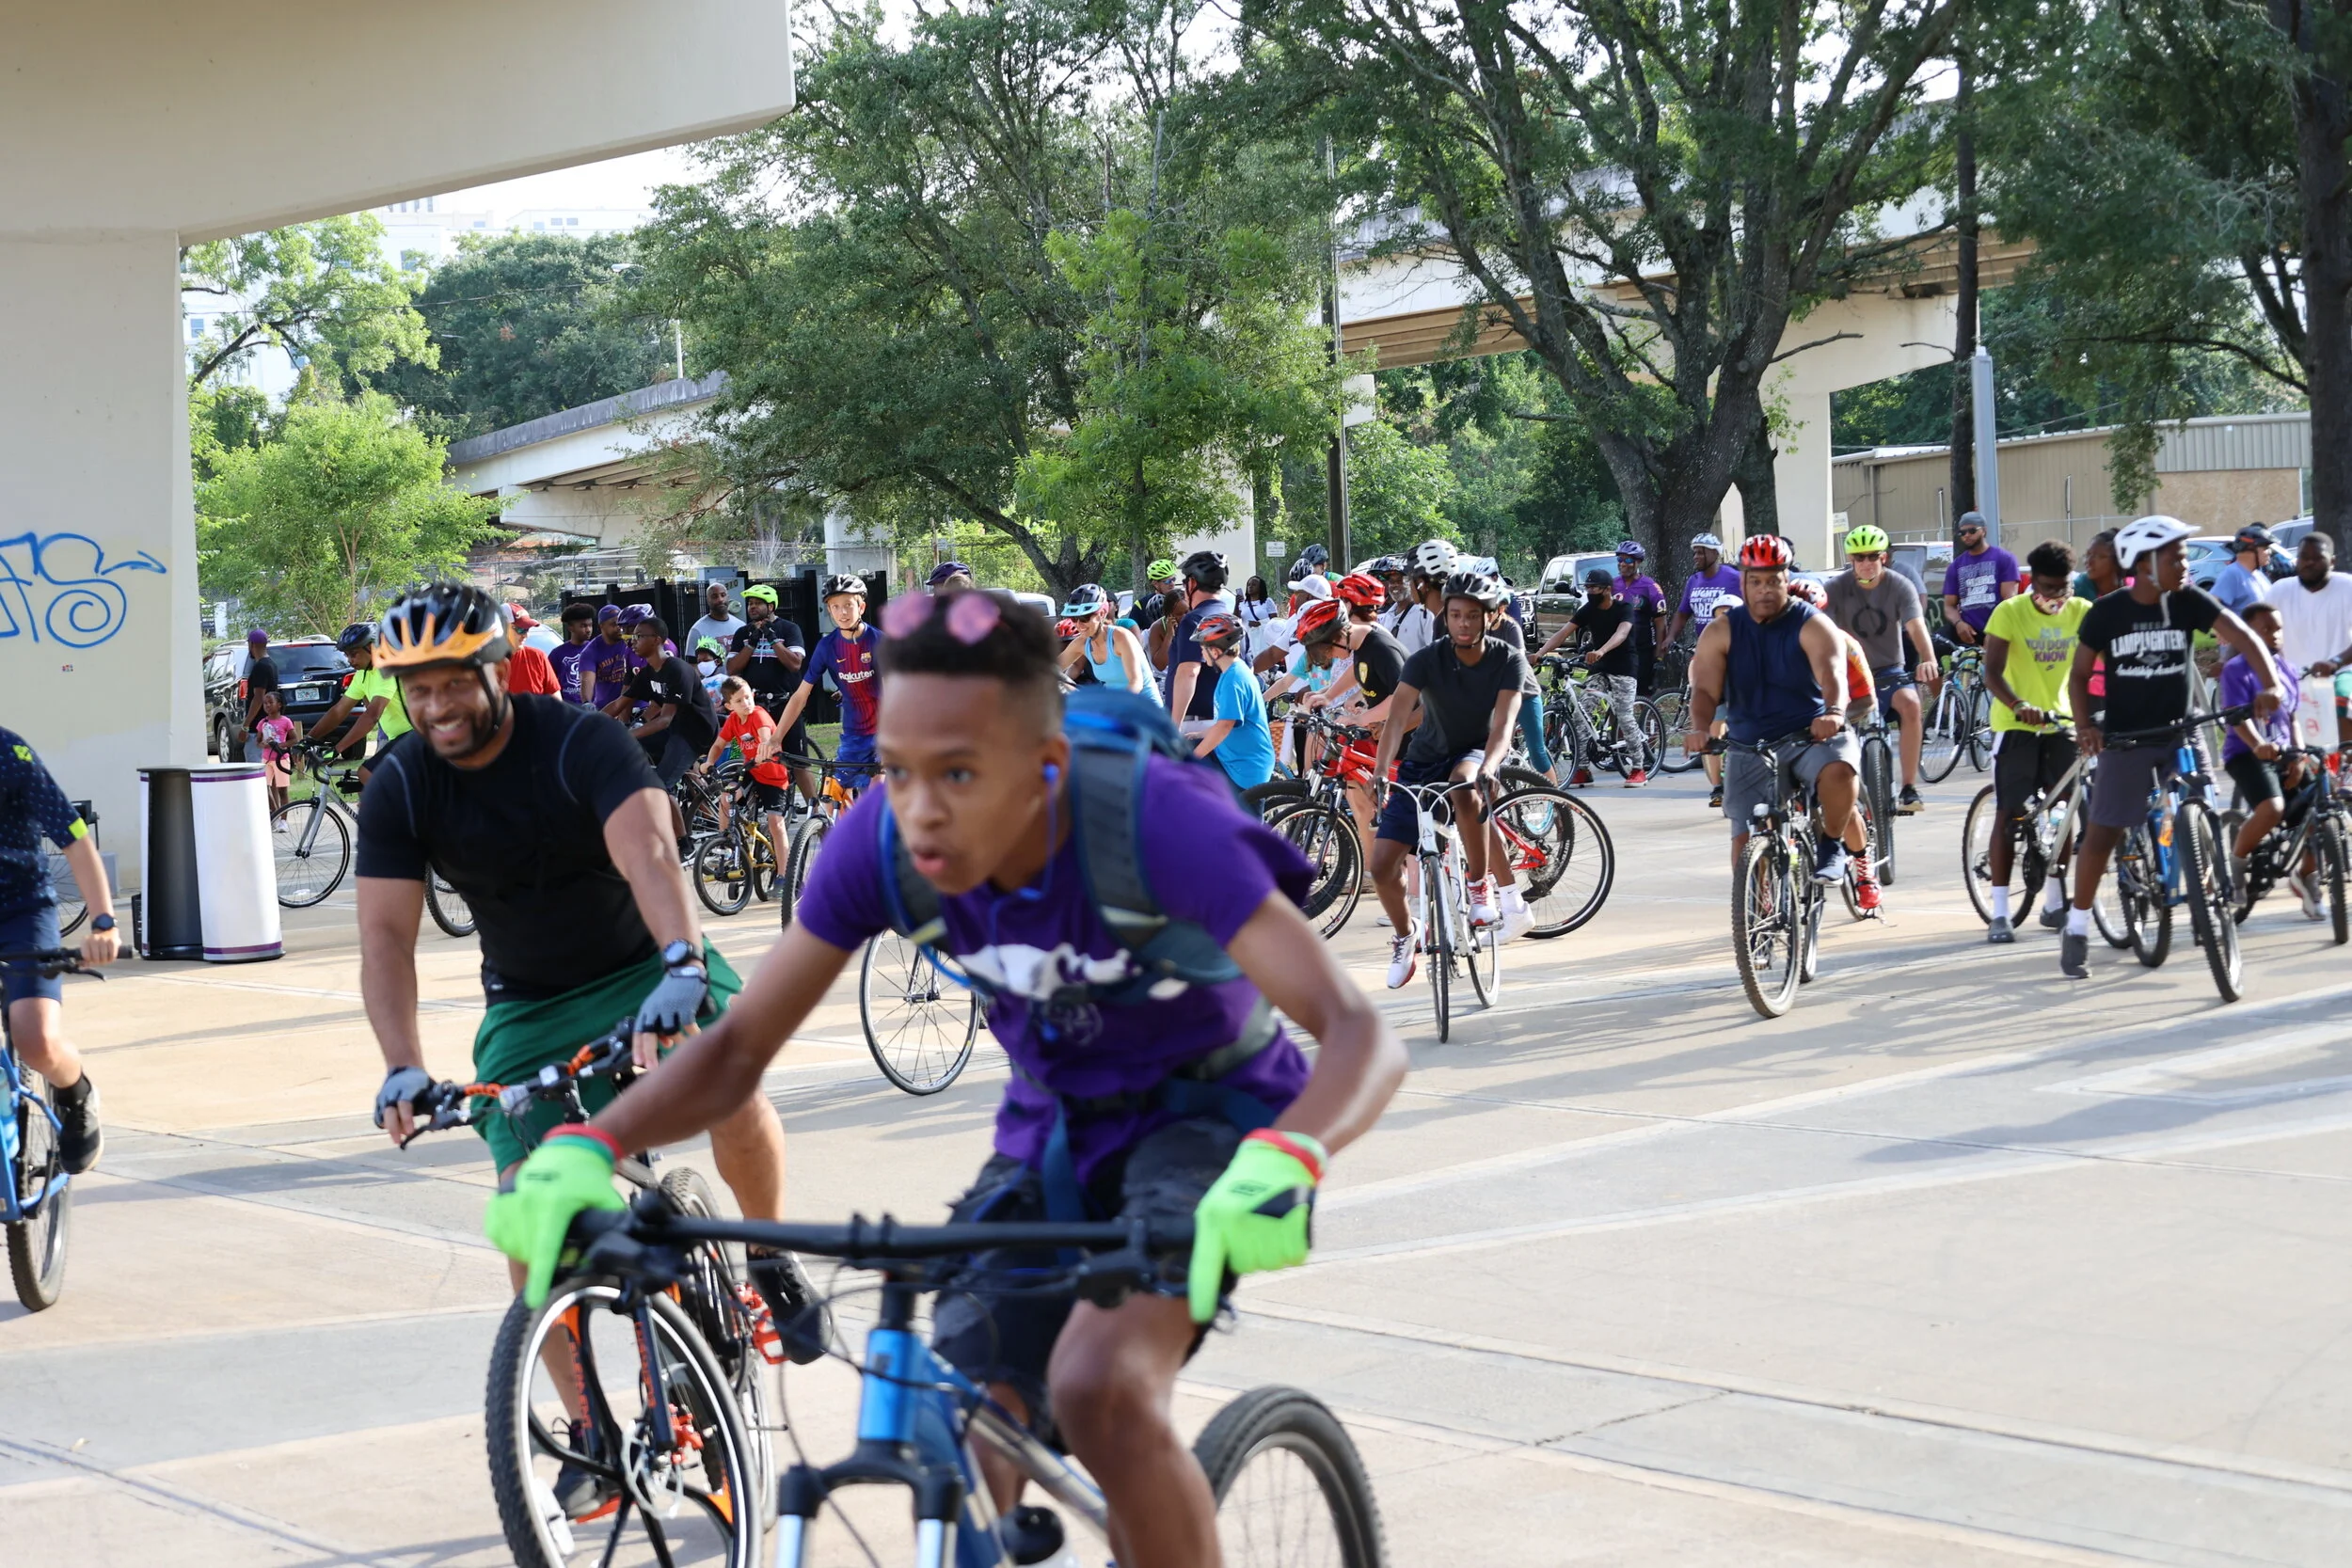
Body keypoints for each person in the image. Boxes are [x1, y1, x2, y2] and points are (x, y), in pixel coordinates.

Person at [481, 590, 1405, 1568]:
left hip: (1214, 1117)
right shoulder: (882, 838)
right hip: (1052, 1127)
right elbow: (739, 1046)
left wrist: (1289, 1155)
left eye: (959, 771)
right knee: (967, 1403)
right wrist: (592, 1143)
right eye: (897, 768)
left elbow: (1355, 1032)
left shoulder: (1148, 819)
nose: (920, 805)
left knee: (1098, 1387)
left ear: (1045, 766)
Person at [356, 584, 815, 1517]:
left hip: (649, 960)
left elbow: (650, 854)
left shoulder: (579, 740)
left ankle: (764, 1253)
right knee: (528, 1211)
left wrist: (684, 962)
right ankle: (592, 1426)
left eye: (452, 683)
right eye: (417, 689)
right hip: (528, 1003)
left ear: (495, 670)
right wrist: (400, 1061)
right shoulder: (402, 779)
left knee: (729, 1076)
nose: (435, 706)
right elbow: (383, 942)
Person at [2059, 515, 2281, 979]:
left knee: (2202, 805)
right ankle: (2077, 926)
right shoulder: (2108, 612)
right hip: (2126, 737)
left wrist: (2272, 685)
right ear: (2143, 563)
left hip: (2181, 729)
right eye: (2175, 556)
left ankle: (2207, 893)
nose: (2185, 564)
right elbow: (2079, 677)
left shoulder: (2186, 602)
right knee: (2104, 830)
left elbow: (2243, 636)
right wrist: (2086, 726)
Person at [1368, 567, 1539, 985]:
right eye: (1456, 614)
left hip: (1475, 753)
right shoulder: (1426, 660)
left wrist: (1491, 766)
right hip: (1421, 761)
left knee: (1467, 787)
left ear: (1489, 616)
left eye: (1473, 615)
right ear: (1444, 616)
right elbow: (1395, 721)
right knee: (1380, 867)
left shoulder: (1507, 660)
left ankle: (1480, 886)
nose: (1464, 623)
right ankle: (1406, 937)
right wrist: (1380, 769)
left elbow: (1503, 725)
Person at [1683, 534, 1864, 887]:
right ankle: (1757, 909)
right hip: (1748, 742)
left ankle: (1831, 845)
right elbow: (1705, 689)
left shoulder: (1811, 623)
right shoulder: (1722, 631)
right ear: (1743, 582)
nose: (1765, 589)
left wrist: (1833, 713)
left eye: (1773, 580)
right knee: (1743, 837)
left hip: (1809, 735)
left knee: (1841, 769)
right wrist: (1701, 727)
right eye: (1756, 581)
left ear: (1787, 579)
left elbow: (1833, 673)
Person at [0, 726, 118, 1175]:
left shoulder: (10, 755)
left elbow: (73, 840)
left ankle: (76, 1094)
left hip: (20, 911)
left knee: (36, 1037)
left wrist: (103, 923)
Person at [1976, 542, 2089, 942]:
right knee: (2010, 814)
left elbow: (2099, 667)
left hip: (2063, 725)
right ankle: (2001, 913)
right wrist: (2018, 704)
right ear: (2031, 582)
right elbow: (1992, 672)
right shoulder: (2010, 612)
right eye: (2048, 587)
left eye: (2063, 587)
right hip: (2017, 725)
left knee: (2062, 814)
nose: (2056, 596)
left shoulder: (2082, 612)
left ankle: (2056, 901)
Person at [1824, 523, 1940, 813]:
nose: (1866, 563)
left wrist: (1928, 658)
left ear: (1883, 557)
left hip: (1889, 671)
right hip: (1849, 675)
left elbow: (1916, 626)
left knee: (1912, 703)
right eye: (1859, 557)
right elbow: (1820, 629)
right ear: (1851, 560)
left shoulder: (1900, 585)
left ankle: (1909, 788)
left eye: (1872, 556)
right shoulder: (1836, 588)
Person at [2218, 603, 2317, 914]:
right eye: (2267, 629)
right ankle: (2236, 864)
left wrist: (2299, 756)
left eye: (2278, 629)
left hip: (2284, 753)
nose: (2275, 635)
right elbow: (2235, 717)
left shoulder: (2285, 668)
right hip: (2247, 753)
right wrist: (2259, 745)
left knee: (2317, 810)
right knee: (2272, 808)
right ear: (2248, 634)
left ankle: (2306, 875)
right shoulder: (2235, 670)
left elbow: (2293, 718)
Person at [769, 576, 882, 791]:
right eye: (835, 607)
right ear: (829, 610)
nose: (843, 612)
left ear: (862, 606)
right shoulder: (827, 646)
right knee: (831, 797)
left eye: (849, 605)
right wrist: (776, 738)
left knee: (876, 795)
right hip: (853, 735)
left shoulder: (878, 642)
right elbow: (800, 696)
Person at [1539, 569, 1644, 786]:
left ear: (1607, 589)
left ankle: (1638, 767)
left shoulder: (1623, 608)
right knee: (1581, 713)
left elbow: (1621, 634)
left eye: (1594, 588)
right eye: (1587, 587)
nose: (1590, 591)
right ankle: (1583, 768)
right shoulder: (1589, 609)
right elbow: (1563, 633)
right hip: (1600, 667)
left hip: (1624, 667)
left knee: (1624, 715)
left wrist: (1602, 650)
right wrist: (1539, 654)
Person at [1661, 533, 1744, 806]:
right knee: (1712, 725)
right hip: (1706, 655)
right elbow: (1683, 613)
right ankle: (1717, 787)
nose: (1696, 556)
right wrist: (1671, 636)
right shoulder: (1693, 581)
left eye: (1701, 552)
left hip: (1737, 653)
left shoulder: (1733, 578)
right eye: (1694, 552)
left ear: (1714, 553)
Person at [728, 584, 818, 803]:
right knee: (751, 758)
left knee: (798, 763)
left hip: (784, 704)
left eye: (757, 603)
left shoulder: (789, 629)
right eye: (750, 603)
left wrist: (772, 638)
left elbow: (795, 664)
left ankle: (817, 814)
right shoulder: (743, 632)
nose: (752, 607)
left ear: (771, 605)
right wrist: (752, 643)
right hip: (755, 707)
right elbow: (732, 668)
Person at [705, 675, 794, 884]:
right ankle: (726, 847)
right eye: (739, 701)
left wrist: (764, 749)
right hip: (752, 772)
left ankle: (784, 875)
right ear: (728, 706)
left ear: (752, 695)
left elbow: (764, 738)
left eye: (747, 697)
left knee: (776, 823)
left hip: (774, 777)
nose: (746, 703)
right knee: (726, 799)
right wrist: (709, 762)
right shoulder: (733, 721)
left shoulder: (759, 716)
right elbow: (719, 745)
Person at [622, 614, 722, 796]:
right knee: (635, 750)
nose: (633, 642)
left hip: (695, 734)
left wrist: (627, 735)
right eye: (632, 637)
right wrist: (590, 724)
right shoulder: (647, 672)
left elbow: (665, 719)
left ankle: (675, 816)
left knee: (659, 789)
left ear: (656, 640)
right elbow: (619, 704)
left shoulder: (678, 670)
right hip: (675, 729)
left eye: (639, 636)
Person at [308, 623, 412, 780]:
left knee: (366, 773)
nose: (350, 660)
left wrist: (337, 750)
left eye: (353, 654)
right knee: (363, 787)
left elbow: (372, 715)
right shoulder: (362, 676)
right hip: (399, 738)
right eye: (347, 655)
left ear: (372, 647)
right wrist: (309, 738)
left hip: (417, 735)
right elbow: (339, 711)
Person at [1192, 612, 1277, 789]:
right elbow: (1222, 722)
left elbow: (1225, 726)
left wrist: (1192, 758)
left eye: (1202, 647)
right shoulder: (1231, 672)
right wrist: (1197, 736)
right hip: (1231, 759)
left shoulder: (1234, 679)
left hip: (1244, 770)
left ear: (1214, 652)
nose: (1201, 652)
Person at [2262, 532, 2352, 697]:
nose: (2309, 563)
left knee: (2343, 703)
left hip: (2341, 675)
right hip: (2292, 681)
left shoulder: (2348, 587)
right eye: (2304, 557)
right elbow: (2252, 631)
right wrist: (2227, 661)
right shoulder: (2280, 590)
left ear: (2332, 562)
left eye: (2317, 558)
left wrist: (2336, 663)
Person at [1163, 551, 1235, 730]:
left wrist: (1174, 727)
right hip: (1222, 720)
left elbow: (1189, 672)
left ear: (1193, 583)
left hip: (1193, 722)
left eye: (1185, 581)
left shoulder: (1193, 621)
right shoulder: (1233, 620)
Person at [1940, 512, 2020, 646]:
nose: (1967, 536)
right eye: (1962, 533)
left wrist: (1995, 631)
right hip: (1968, 629)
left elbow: (2009, 601)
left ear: (1984, 530)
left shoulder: (2004, 558)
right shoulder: (1956, 566)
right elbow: (1949, 605)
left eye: (1972, 531)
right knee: (1937, 643)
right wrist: (1959, 624)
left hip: (1998, 627)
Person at [1057, 582, 1151, 694]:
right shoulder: (1081, 643)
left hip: (1142, 704)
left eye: (1084, 618)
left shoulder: (1121, 637)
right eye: (1073, 618)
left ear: (1101, 614)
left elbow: (1136, 683)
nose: (1078, 625)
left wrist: (1113, 708)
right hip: (1112, 703)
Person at [1611, 542, 1667, 695]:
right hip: (1616, 650)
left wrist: (1659, 655)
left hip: (1640, 651)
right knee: (1616, 697)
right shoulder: (1612, 585)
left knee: (1642, 695)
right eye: (1620, 560)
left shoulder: (1650, 587)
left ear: (1638, 562)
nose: (1623, 564)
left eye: (1628, 560)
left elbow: (1660, 623)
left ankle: (1647, 719)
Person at [1390, 540, 1455, 657]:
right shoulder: (1443, 619)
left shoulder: (1450, 624)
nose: (1409, 584)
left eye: (1409, 579)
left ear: (1421, 584)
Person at [2209, 525, 2275, 616]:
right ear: (2250, 549)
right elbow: (2210, 607)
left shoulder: (2260, 575)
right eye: (2265, 548)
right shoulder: (2232, 574)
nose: (2269, 552)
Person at [582, 605, 639, 711]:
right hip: (606, 709)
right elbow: (587, 679)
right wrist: (587, 702)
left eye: (621, 624)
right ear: (601, 626)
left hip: (637, 707)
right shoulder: (591, 651)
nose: (619, 627)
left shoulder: (631, 642)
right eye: (614, 624)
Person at [237, 627, 279, 765]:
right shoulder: (272, 664)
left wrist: (245, 726)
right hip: (269, 725)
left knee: (255, 767)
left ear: (251, 644)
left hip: (257, 728)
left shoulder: (260, 667)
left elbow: (258, 698)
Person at [255, 688, 297, 812]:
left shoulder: (286, 721)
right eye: (265, 703)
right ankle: (275, 813)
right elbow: (258, 741)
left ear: (279, 705)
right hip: (266, 759)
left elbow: (294, 739)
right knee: (263, 786)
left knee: (282, 790)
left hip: (281, 759)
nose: (267, 705)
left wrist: (280, 745)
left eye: (270, 703)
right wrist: (263, 744)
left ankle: (284, 820)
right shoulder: (263, 722)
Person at [548, 603, 597, 704]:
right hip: (568, 711)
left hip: (593, 709)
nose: (588, 630)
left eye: (590, 625)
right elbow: (549, 684)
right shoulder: (557, 654)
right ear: (570, 627)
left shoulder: (596, 650)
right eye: (583, 626)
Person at [687, 580, 746, 655]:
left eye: (723, 595)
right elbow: (692, 664)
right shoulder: (697, 630)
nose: (720, 600)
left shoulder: (741, 625)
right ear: (708, 600)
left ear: (728, 597)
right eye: (715, 596)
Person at [2074, 529, 2126, 602]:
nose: (2089, 561)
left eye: (2100, 556)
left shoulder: (2134, 589)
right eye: (2088, 554)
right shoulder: (2077, 591)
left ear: (2117, 560)